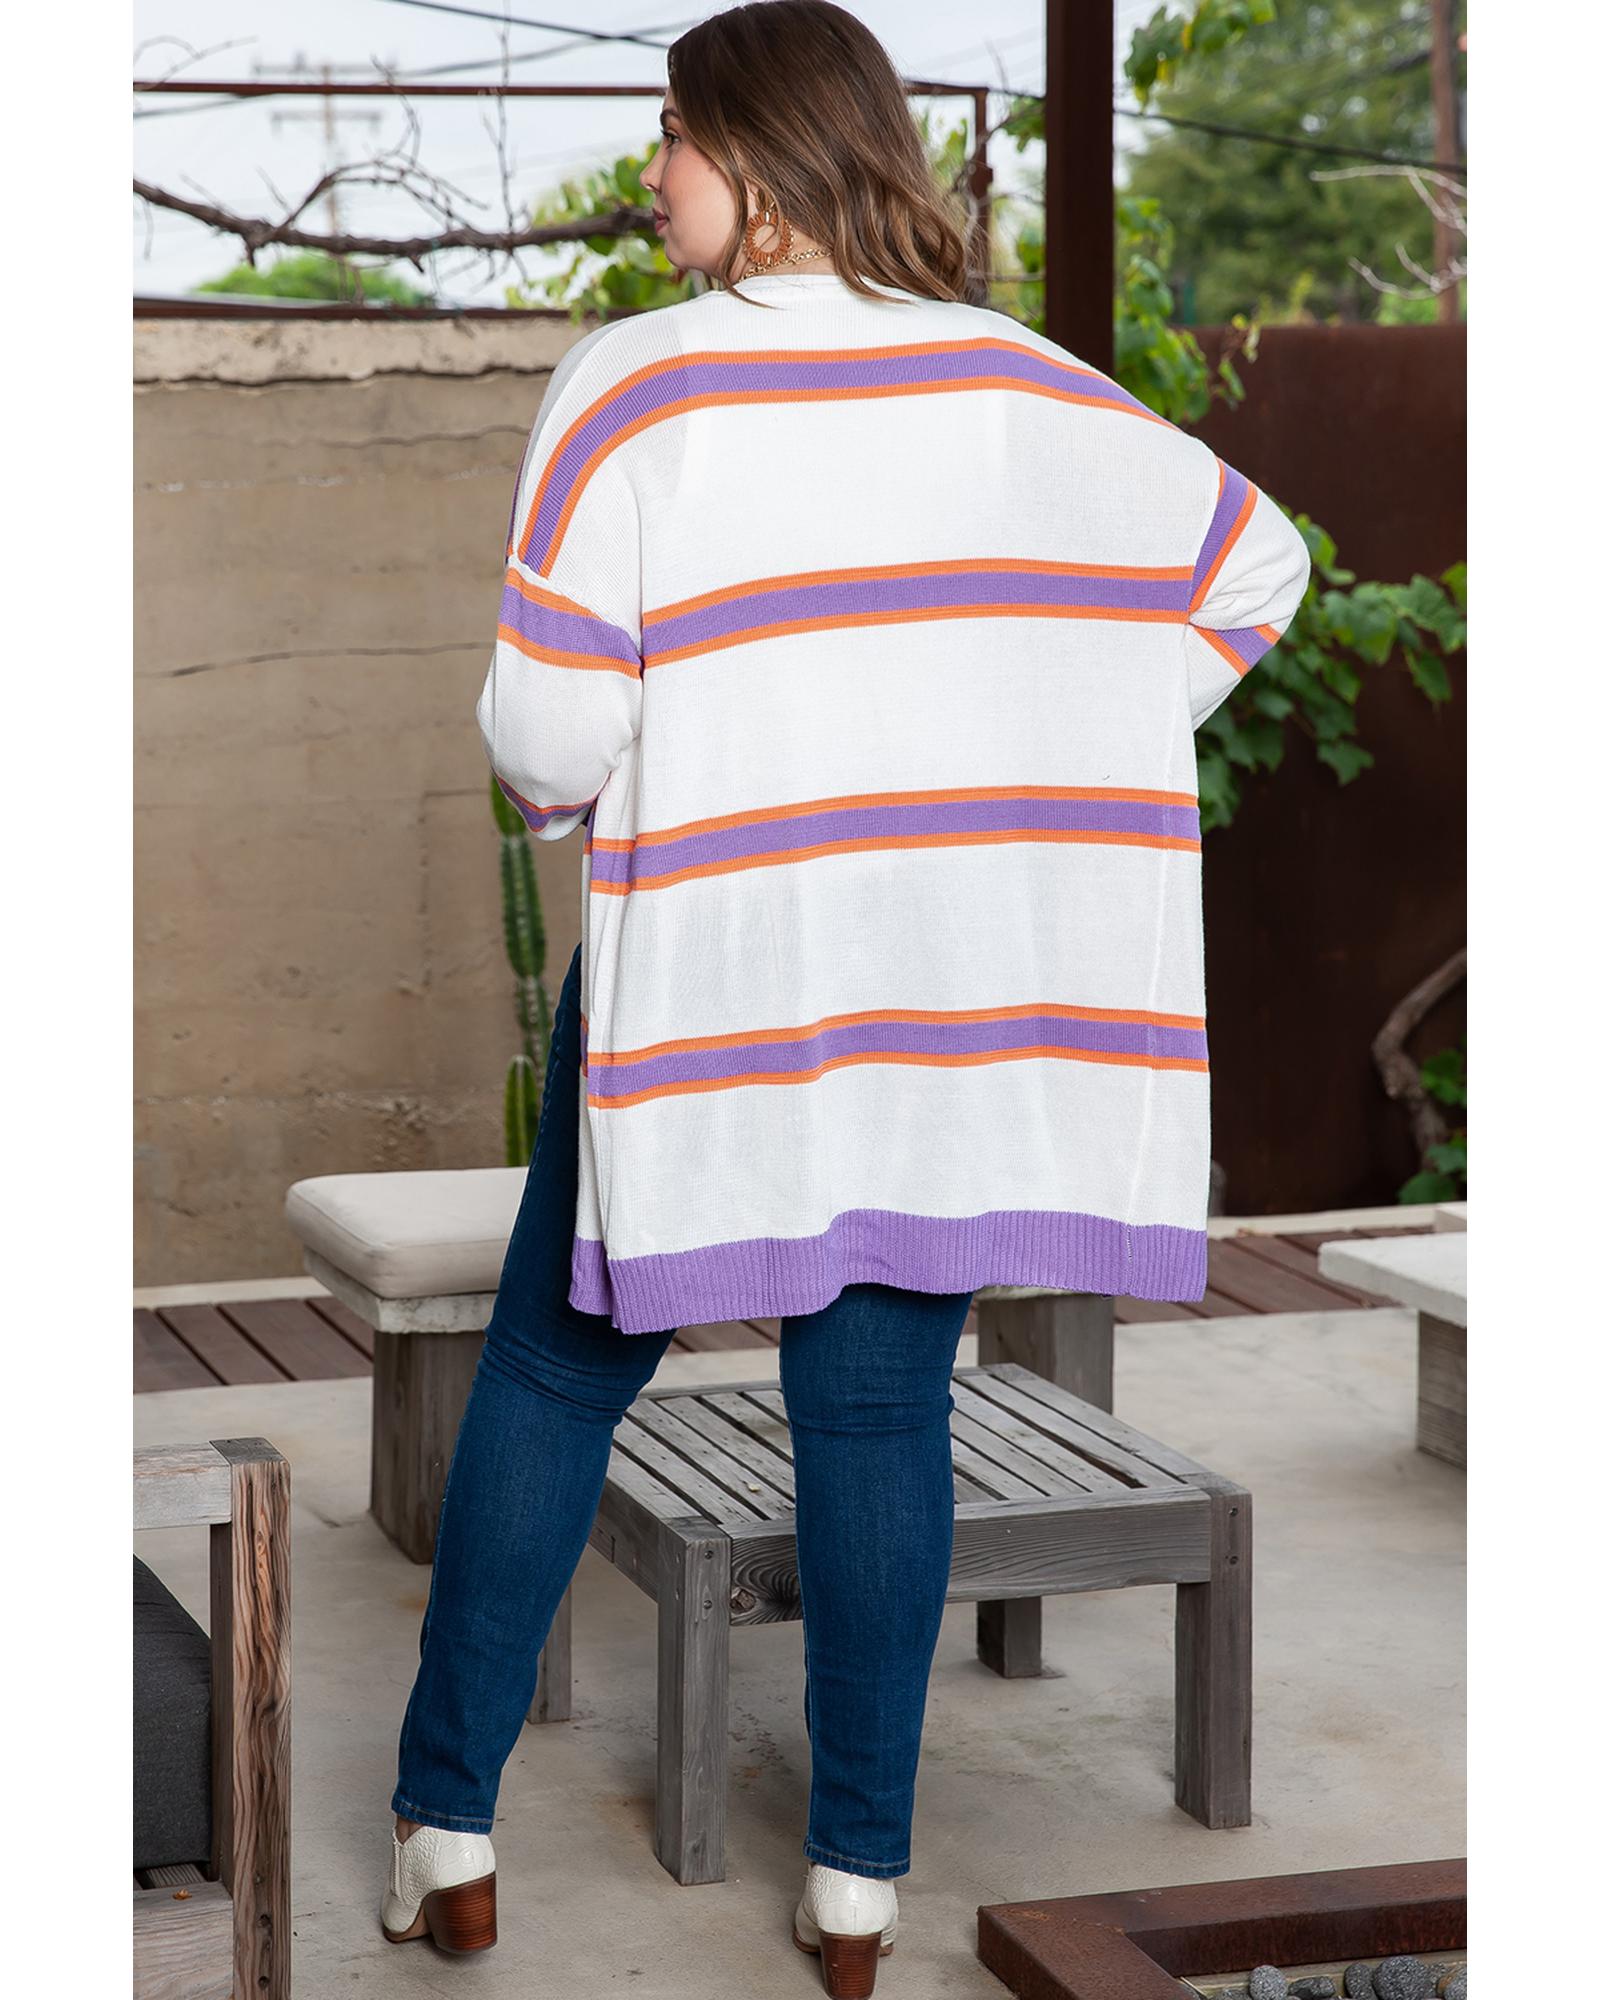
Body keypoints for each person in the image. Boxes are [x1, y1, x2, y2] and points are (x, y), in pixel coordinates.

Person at [379, 2, 1311, 1991]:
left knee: (554, 1372)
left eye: (671, 135)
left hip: (711, 977)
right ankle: (856, 1893)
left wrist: (640, 764)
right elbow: (1256, 568)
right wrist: (1059, 743)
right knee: (879, 1409)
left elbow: (547, 735)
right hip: (944, 990)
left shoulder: (635, 385)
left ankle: (445, 1832)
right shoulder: (1030, 388)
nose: (652, 174)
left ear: (756, 153)